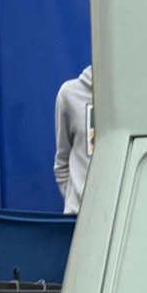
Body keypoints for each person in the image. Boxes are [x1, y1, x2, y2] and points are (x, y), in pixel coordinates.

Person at [53, 64, 93, 214]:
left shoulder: (134, 95)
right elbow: (61, 162)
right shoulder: (70, 94)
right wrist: (74, 201)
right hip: (78, 219)